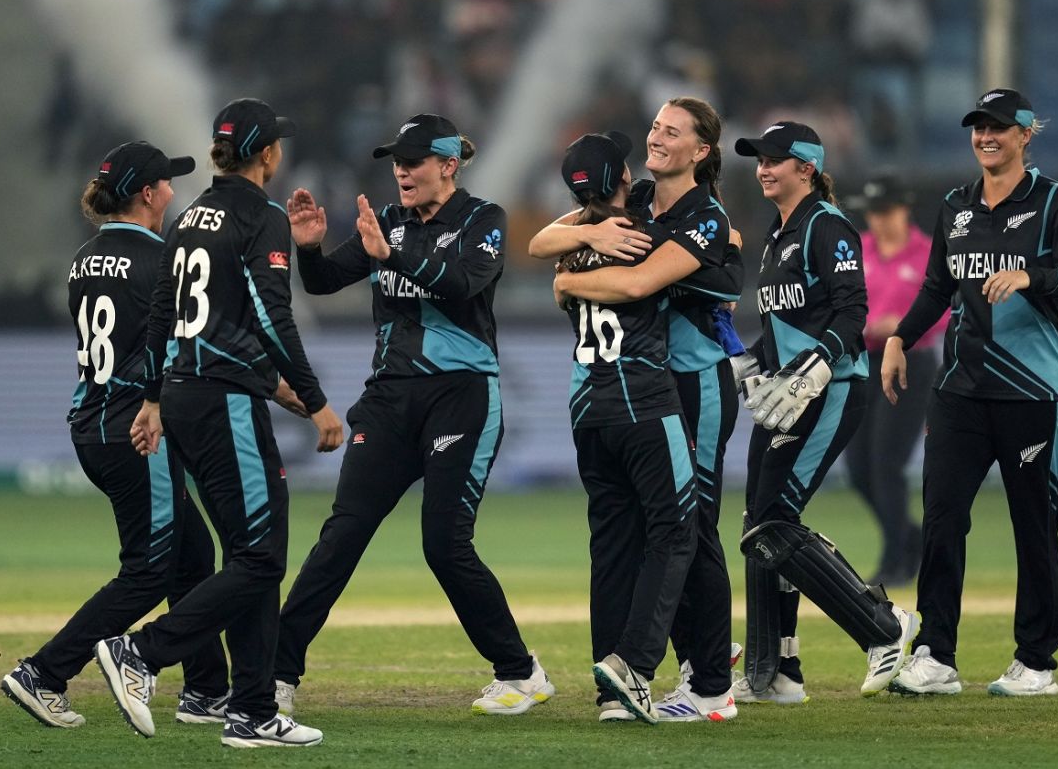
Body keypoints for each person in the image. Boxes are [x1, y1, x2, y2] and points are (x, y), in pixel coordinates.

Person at [272, 114, 555, 717]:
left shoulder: (484, 220)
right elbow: (324, 283)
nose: (401, 170)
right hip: (390, 398)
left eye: (414, 160)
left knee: (444, 545)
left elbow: (462, 284)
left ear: (448, 165)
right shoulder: (390, 221)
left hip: (462, 395)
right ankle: (275, 676)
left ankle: (521, 672)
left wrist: (390, 260)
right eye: (396, 161)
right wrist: (309, 246)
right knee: (342, 534)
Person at [94, 98, 343, 749]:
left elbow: (159, 316)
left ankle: (253, 709)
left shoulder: (186, 219)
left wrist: (152, 397)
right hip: (225, 399)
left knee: (248, 552)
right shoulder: (261, 217)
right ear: (268, 155)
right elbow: (273, 317)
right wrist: (316, 402)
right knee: (262, 554)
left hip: (183, 395)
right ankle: (141, 653)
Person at [0, 142, 229, 729]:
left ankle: (206, 691)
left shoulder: (84, 258)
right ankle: (45, 673)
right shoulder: (162, 260)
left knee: (192, 553)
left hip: (92, 423)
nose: (175, 192)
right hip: (136, 430)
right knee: (147, 572)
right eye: (167, 184)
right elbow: (174, 349)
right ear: (148, 194)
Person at [537, 96, 742, 723]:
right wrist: (587, 236)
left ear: (701, 151)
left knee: (691, 529)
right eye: (655, 126)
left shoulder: (705, 216)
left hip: (694, 384)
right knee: (655, 535)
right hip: (645, 391)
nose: (655, 137)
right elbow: (551, 240)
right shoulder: (636, 207)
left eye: (670, 130)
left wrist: (569, 277)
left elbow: (636, 279)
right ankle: (656, 674)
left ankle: (708, 678)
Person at [886, 89, 1058, 697]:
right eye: (978, 127)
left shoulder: (1057, 201)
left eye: (999, 127)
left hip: (1034, 392)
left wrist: (1031, 276)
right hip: (961, 390)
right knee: (943, 519)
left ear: (1026, 134)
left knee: (1033, 526)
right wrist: (900, 338)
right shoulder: (955, 205)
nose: (986, 137)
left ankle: (1036, 662)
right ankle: (935, 656)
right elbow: (934, 286)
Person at [730, 120, 917, 703]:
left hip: (830, 390)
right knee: (758, 525)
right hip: (785, 395)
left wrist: (816, 366)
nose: (763, 168)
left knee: (774, 522)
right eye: (759, 159)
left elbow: (851, 309)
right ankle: (776, 671)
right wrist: (749, 361)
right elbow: (783, 325)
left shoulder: (826, 225)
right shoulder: (779, 231)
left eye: (775, 160)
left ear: (806, 168)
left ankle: (883, 628)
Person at [843, 172, 947, 586]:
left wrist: (899, 327)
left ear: (904, 208)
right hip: (862, 362)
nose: (878, 220)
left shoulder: (924, 253)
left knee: (886, 463)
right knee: (858, 469)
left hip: (908, 365)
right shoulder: (858, 250)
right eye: (872, 212)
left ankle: (893, 563)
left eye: (885, 210)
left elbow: (940, 311)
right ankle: (911, 538)